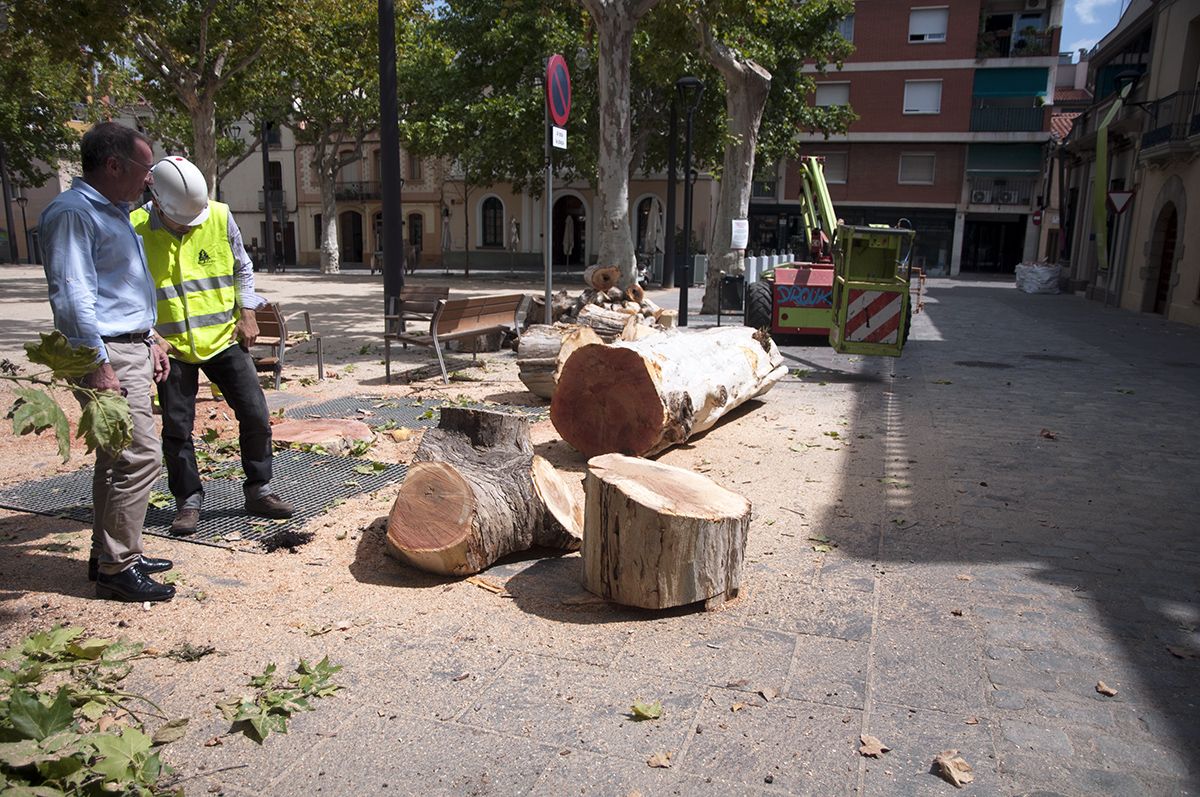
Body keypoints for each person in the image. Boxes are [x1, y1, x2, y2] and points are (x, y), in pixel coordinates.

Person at [39, 122, 175, 603]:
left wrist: (151, 337)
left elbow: (120, 292)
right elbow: (75, 300)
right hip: (106, 353)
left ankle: (111, 553)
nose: (150, 180)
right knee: (139, 456)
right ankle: (119, 568)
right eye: (146, 168)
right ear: (114, 164)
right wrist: (100, 365)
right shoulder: (74, 214)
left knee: (115, 458)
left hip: (129, 346)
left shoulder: (115, 212)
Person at [131, 156, 294, 536]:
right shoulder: (134, 227)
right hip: (171, 346)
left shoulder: (219, 216)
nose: (189, 225)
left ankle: (259, 490)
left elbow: (243, 268)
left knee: (255, 413)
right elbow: (124, 288)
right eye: (180, 219)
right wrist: (149, 334)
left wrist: (247, 312)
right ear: (156, 201)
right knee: (177, 428)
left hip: (223, 338)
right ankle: (188, 501)